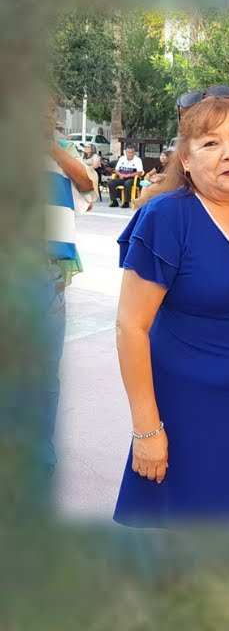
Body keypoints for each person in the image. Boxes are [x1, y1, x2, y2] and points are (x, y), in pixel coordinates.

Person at [113, 87, 229, 529]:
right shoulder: (168, 217)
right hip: (187, 415)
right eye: (210, 143)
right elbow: (131, 326)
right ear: (185, 160)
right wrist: (146, 429)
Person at [45, 96, 95, 472]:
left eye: (50, 111)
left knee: (47, 373)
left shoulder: (64, 151)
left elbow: (88, 183)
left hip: (50, 275)